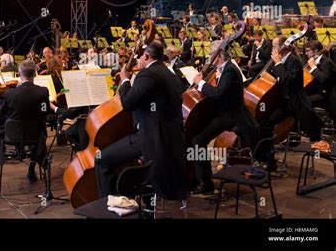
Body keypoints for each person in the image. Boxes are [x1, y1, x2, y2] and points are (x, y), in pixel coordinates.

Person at [95, 41, 188, 201]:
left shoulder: (147, 74)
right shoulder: (171, 74)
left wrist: (124, 80)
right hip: (173, 138)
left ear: (146, 56)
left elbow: (127, 103)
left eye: (138, 57)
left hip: (151, 138)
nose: (137, 61)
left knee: (101, 159)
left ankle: (108, 206)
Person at [192, 49, 259, 194]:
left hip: (231, 116)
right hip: (225, 113)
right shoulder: (226, 68)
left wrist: (200, 83)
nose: (210, 59)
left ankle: (205, 182)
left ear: (219, 57)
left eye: (212, 55)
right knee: (197, 136)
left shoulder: (229, 70)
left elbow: (218, 94)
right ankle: (200, 176)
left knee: (198, 140)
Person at [0, 60, 49, 183]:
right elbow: (45, 112)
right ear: (35, 74)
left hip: (12, 134)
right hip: (36, 134)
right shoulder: (43, 91)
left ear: (19, 73)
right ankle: (31, 169)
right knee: (36, 137)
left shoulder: (10, 94)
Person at [259, 36, 323, 146]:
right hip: (282, 100)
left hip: (292, 102)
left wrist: (278, 64)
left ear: (282, 48)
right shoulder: (282, 60)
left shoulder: (293, 61)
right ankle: (268, 148)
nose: (272, 50)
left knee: (267, 123)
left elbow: (288, 80)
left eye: (274, 46)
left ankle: (267, 153)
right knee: (264, 121)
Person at [305, 40, 336, 123]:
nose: (305, 53)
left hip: (327, 94)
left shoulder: (327, 62)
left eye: (308, 51)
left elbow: (323, 79)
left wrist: (313, 67)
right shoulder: (312, 61)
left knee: (304, 101)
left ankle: (316, 124)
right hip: (316, 91)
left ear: (315, 51)